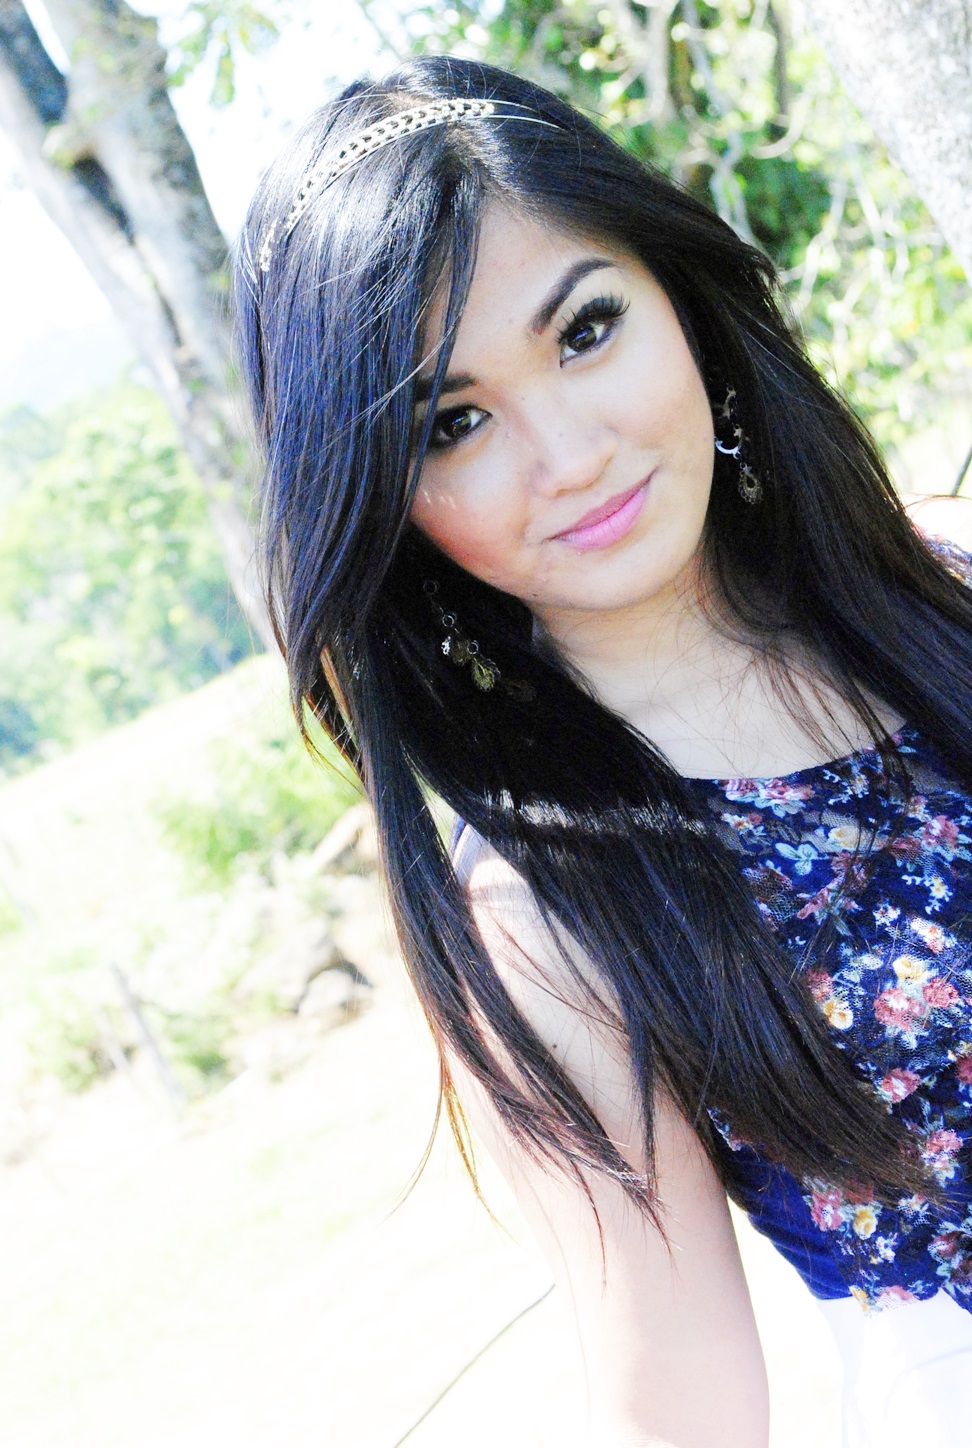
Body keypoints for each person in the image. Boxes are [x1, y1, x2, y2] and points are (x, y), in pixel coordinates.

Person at [233, 55, 972, 1448]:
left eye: (585, 330)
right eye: (454, 424)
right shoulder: (545, 903)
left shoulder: (946, 577)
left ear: (676, 296)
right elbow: (678, 1405)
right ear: (386, 502)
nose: (567, 453)